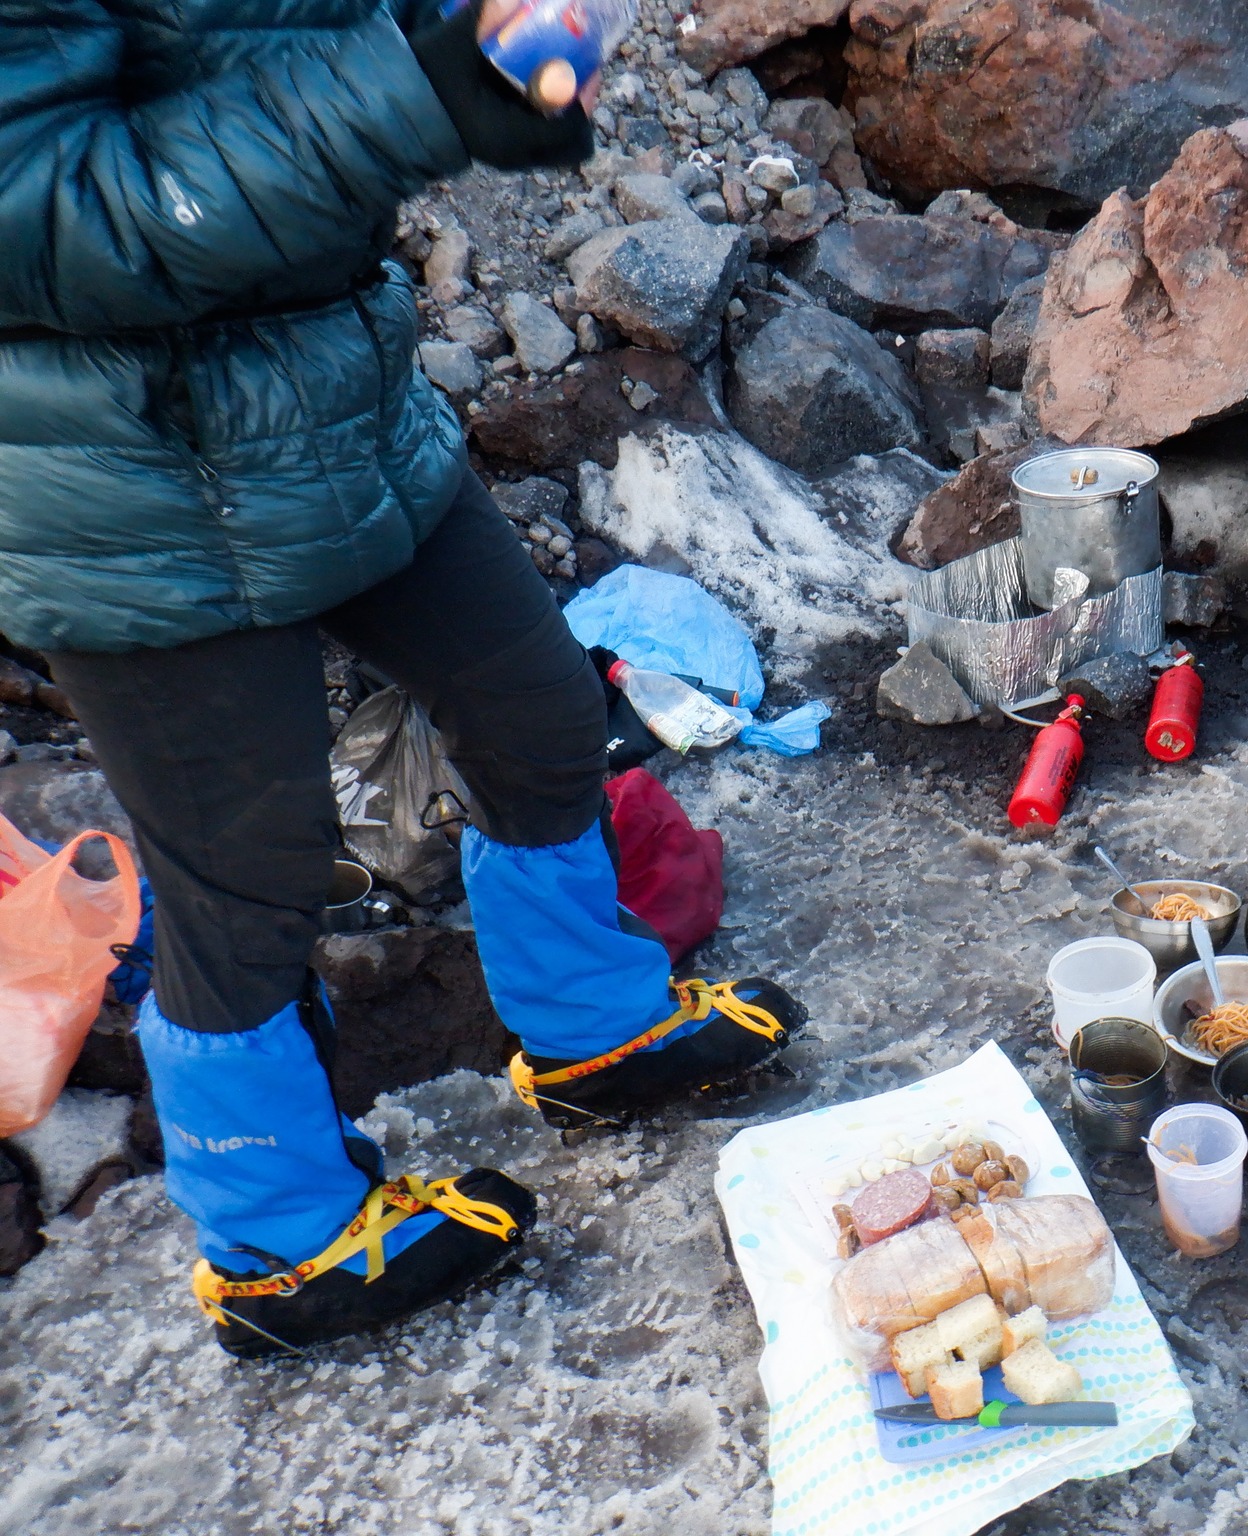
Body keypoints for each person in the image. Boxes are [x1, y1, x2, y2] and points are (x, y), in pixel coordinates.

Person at [0, 0, 803, 1357]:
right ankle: (280, 1250)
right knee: (246, 871)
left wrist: (484, 52)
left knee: (537, 707)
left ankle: (592, 1031)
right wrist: (408, 95)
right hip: (126, 479)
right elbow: (43, 220)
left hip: (335, 408)